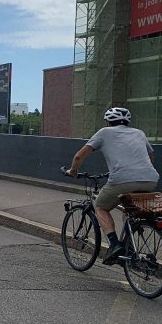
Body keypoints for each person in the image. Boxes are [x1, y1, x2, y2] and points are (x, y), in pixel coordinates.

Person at [66, 107, 159, 264]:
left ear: (108, 121)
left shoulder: (104, 132)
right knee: (130, 209)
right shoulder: (139, 133)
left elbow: (79, 156)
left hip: (122, 179)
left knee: (100, 206)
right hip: (150, 179)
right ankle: (130, 248)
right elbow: (150, 154)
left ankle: (115, 245)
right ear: (127, 122)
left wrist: (73, 172)